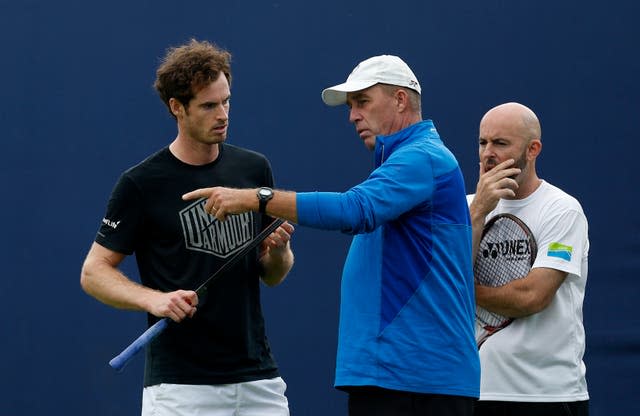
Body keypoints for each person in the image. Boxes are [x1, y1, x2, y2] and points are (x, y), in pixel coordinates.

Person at [183, 55, 480, 416]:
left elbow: (354, 210)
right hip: (394, 377)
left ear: (400, 100)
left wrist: (255, 198)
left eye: (363, 102)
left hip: (419, 381)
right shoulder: (404, 164)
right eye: (351, 105)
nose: (352, 115)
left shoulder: (424, 158)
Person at [80, 39, 295, 416]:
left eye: (226, 101)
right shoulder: (141, 183)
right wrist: (154, 300)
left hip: (258, 380)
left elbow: (272, 276)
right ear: (177, 108)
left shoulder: (254, 169)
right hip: (180, 388)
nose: (223, 114)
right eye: (209, 105)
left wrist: (279, 252)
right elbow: (93, 272)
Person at [468, 102, 589, 415]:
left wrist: (462, 291)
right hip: (473, 393)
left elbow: (532, 296)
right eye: (483, 142)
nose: (487, 153)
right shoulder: (467, 208)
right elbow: (446, 275)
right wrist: (479, 210)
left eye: (501, 143)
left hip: (547, 397)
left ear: (532, 149)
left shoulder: (563, 210)